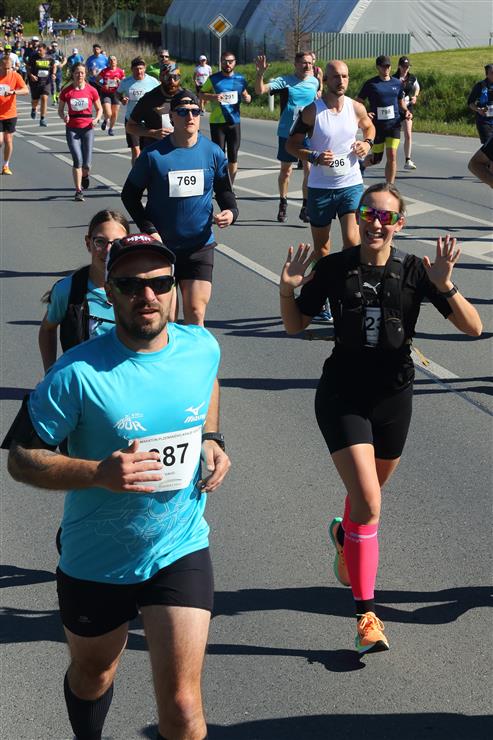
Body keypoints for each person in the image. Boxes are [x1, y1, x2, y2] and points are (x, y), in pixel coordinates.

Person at [7, 233, 231, 740]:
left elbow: (208, 382)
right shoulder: (75, 373)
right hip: (97, 557)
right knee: (94, 675)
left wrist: (212, 438)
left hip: (179, 545)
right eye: (130, 285)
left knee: (183, 706)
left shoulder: (201, 347)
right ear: (109, 292)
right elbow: (20, 459)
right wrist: (97, 474)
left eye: (159, 284)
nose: (146, 296)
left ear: (173, 288)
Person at [279, 182, 482, 655]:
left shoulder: (414, 271)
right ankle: (366, 618)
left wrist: (445, 284)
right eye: (369, 213)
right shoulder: (334, 268)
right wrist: (288, 288)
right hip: (343, 395)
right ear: (359, 217)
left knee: (363, 502)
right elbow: (294, 324)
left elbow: (474, 328)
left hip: (394, 397)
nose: (376, 223)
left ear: (399, 225)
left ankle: (343, 535)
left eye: (386, 217)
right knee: (369, 504)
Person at [122, 90, 238, 327]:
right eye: (183, 112)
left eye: (195, 111)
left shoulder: (213, 152)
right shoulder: (153, 155)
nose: (190, 117)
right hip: (162, 248)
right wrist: (149, 229)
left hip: (200, 246)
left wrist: (231, 212)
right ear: (172, 116)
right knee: (167, 318)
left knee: (196, 311)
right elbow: (129, 196)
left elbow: (225, 191)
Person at [286, 59, 375, 324]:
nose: (341, 81)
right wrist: (313, 156)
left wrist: (367, 143)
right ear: (325, 80)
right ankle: (322, 297)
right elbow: (291, 144)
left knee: (353, 241)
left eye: (345, 76)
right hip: (321, 189)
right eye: (336, 77)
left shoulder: (355, 107)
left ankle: (352, 294)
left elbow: (369, 126)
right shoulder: (312, 111)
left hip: (350, 184)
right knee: (323, 249)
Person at [38, 210, 130, 371]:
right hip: (83, 383)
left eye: (116, 243)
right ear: (88, 243)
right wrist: (50, 374)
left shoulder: (142, 288)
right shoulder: (68, 289)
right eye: (100, 241)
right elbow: (47, 329)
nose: (108, 250)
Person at [255, 52, 319, 223]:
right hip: (287, 132)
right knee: (286, 171)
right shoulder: (284, 81)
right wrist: (260, 74)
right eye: (303, 63)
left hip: (307, 133)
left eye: (310, 63)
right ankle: (283, 202)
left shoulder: (314, 81)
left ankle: (305, 207)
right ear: (295, 64)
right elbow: (260, 90)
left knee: (309, 169)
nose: (307, 66)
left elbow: (316, 101)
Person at [356, 55, 412, 184]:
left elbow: (401, 102)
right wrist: (365, 114)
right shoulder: (371, 84)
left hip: (394, 125)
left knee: (392, 156)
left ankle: (389, 186)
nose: (386, 69)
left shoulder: (397, 83)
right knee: (377, 159)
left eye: (388, 66)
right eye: (383, 66)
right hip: (377, 127)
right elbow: (358, 102)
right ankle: (362, 164)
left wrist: (406, 111)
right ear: (378, 67)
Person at [199, 50, 251, 183]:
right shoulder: (213, 79)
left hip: (234, 122)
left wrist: (247, 98)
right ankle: (219, 184)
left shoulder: (240, 79)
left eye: (230, 61)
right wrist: (213, 97)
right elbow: (201, 94)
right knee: (219, 156)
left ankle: (230, 186)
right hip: (217, 123)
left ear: (235, 63)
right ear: (221, 62)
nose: (228, 64)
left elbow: (246, 95)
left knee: (233, 156)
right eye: (225, 61)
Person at [58, 62, 102, 201]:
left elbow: (99, 109)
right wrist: (64, 116)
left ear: (85, 74)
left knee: (86, 164)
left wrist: (97, 119)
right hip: (72, 128)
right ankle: (78, 191)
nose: (80, 75)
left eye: (82, 72)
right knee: (77, 160)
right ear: (73, 74)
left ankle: (85, 175)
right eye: (77, 72)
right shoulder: (66, 91)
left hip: (88, 128)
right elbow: (60, 110)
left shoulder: (91, 90)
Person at [125, 62, 182, 150]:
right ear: (160, 77)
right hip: (155, 152)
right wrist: (153, 133)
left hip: (179, 151)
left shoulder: (187, 97)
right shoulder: (148, 99)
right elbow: (130, 127)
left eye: (175, 77)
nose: (172, 81)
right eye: (167, 77)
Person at [118, 56, 160, 164]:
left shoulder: (153, 81)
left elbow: (160, 94)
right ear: (132, 69)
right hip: (132, 120)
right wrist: (122, 99)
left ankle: (146, 172)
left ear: (145, 68)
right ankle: (136, 173)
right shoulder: (126, 82)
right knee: (136, 152)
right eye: (136, 69)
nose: (139, 71)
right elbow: (117, 93)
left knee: (148, 151)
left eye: (141, 68)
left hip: (149, 121)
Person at [0, 53, 28, 174]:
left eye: (9, 68)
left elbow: (25, 90)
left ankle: (6, 165)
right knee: (0, 141)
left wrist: (14, 92)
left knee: (8, 140)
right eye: (5, 68)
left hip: (10, 113)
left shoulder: (15, 76)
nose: (7, 71)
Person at [393, 56, 420, 170]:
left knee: (408, 134)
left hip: (407, 108)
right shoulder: (393, 78)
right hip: (395, 108)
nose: (406, 69)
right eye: (404, 67)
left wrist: (415, 96)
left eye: (407, 67)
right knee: (393, 136)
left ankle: (407, 160)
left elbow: (417, 87)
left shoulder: (412, 78)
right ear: (399, 66)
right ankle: (391, 158)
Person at [27, 42, 55, 126]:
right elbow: (27, 67)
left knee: (44, 98)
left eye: (40, 50)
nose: (38, 51)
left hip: (46, 82)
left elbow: (54, 66)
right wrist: (31, 75)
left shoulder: (50, 58)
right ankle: (33, 109)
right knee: (35, 101)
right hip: (35, 82)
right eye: (38, 50)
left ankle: (42, 119)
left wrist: (53, 74)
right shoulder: (33, 57)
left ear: (45, 50)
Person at [98, 55, 125, 135]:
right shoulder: (104, 71)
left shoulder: (120, 71)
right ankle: (106, 120)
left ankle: (111, 129)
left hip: (116, 93)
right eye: (110, 60)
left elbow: (124, 82)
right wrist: (103, 85)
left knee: (115, 113)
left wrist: (119, 81)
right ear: (108, 62)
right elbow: (96, 80)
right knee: (108, 113)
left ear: (116, 61)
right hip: (106, 93)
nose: (112, 61)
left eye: (114, 60)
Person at [467, 63, 493, 144]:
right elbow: (470, 103)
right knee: (489, 145)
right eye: (492, 73)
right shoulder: (480, 86)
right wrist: (478, 109)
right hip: (484, 122)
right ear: (487, 74)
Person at [48, 39, 66, 104]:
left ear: (57, 46)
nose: (54, 47)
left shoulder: (60, 52)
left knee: (59, 86)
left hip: (59, 71)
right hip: (51, 71)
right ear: (51, 46)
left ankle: (57, 96)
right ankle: (54, 100)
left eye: (55, 46)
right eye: (53, 46)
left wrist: (62, 64)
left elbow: (65, 59)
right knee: (52, 85)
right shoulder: (48, 53)